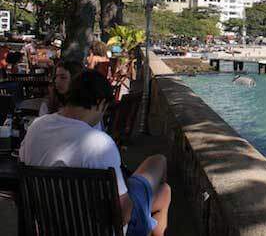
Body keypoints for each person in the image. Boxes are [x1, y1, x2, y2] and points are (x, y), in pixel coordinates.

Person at [20, 70, 171, 236]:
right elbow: (122, 215)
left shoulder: (36, 127)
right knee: (160, 167)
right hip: (98, 228)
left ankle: (147, 218)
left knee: (163, 191)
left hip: (52, 226)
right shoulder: (100, 144)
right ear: (100, 103)